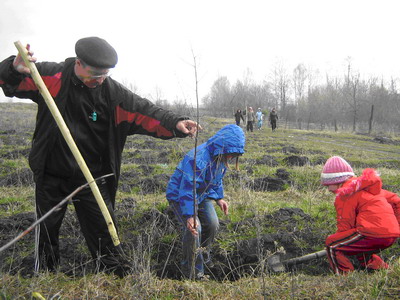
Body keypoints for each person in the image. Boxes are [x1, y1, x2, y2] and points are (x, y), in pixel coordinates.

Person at [0, 37, 200, 277]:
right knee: (47, 228)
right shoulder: (53, 77)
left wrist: (175, 123)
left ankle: (111, 273)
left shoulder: (113, 94)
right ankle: (45, 273)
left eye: (104, 74)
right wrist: (14, 68)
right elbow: (11, 82)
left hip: (93, 177)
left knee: (104, 229)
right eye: (95, 74)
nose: (100, 80)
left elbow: (146, 112)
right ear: (79, 63)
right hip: (52, 173)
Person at [166, 124, 245, 280]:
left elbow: (215, 180)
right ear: (223, 146)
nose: (230, 157)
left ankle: (203, 255)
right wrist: (190, 215)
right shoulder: (198, 158)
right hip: (180, 196)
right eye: (230, 154)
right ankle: (192, 271)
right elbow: (188, 189)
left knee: (213, 224)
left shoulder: (220, 155)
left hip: (202, 195)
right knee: (195, 230)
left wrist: (219, 198)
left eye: (233, 155)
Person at [321, 156, 400, 275]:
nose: (328, 189)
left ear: (338, 182)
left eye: (328, 185)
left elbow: (345, 224)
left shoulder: (345, 194)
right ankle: (379, 270)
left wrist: (340, 242)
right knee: (358, 246)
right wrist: (396, 225)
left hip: (371, 233)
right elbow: (396, 201)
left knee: (332, 245)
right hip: (392, 234)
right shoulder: (370, 189)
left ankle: (345, 277)